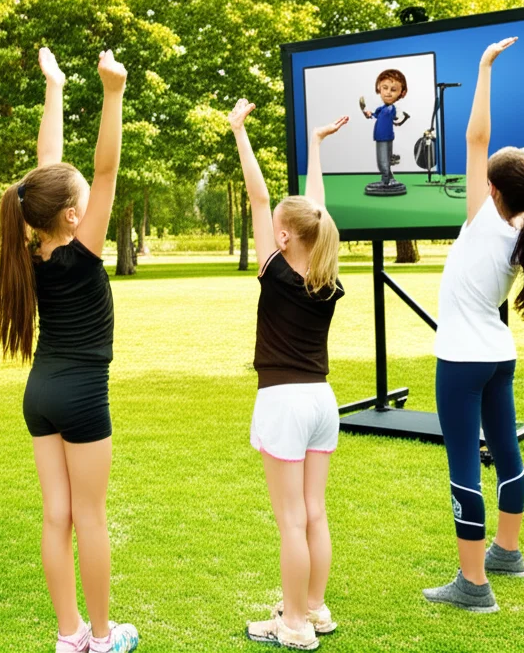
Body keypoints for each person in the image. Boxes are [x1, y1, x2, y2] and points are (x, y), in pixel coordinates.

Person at [0, 47, 138, 653]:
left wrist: (55, 86)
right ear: (74, 215)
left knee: (59, 517)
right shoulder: (82, 248)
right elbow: (102, 172)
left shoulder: (31, 246)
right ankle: (102, 639)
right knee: (91, 519)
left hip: (41, 393)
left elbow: (44, 173)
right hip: (79, 396)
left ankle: (68, 634)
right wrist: (113, 94)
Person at [424, 37, 524, 612]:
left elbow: (475, 137)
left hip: (461, 361)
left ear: (491, 191)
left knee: (463, 466)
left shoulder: (483, 222)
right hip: (498, 355)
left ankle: (474, 585)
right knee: (505, 451)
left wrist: (483, 69)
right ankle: (508, 552)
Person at [230, 97, 348, 651]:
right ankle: (314, 608)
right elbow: (314, 213)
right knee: (313, 513)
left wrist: (238, 131)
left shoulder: (276, 270)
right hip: (323, 402)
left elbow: (260, 195)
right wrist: (317, 148)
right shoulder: (325, 272)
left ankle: (294, 624)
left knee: (291, 522)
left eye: (276, 225)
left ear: (282, 238)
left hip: (283, 402)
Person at [361, 68, 409, 194]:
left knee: (383, 160)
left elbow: (398, 118)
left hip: (386, 137)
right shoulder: (382, 108)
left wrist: (401, 118)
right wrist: (368, 113)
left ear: (401, 93)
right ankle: (388, 178)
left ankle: (386, 180)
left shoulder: (391, 109)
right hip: (380, 136)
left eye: (393, 90)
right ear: (379, 88)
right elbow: (374, 115)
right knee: (383, 159)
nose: (388, 93)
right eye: (385, 88)